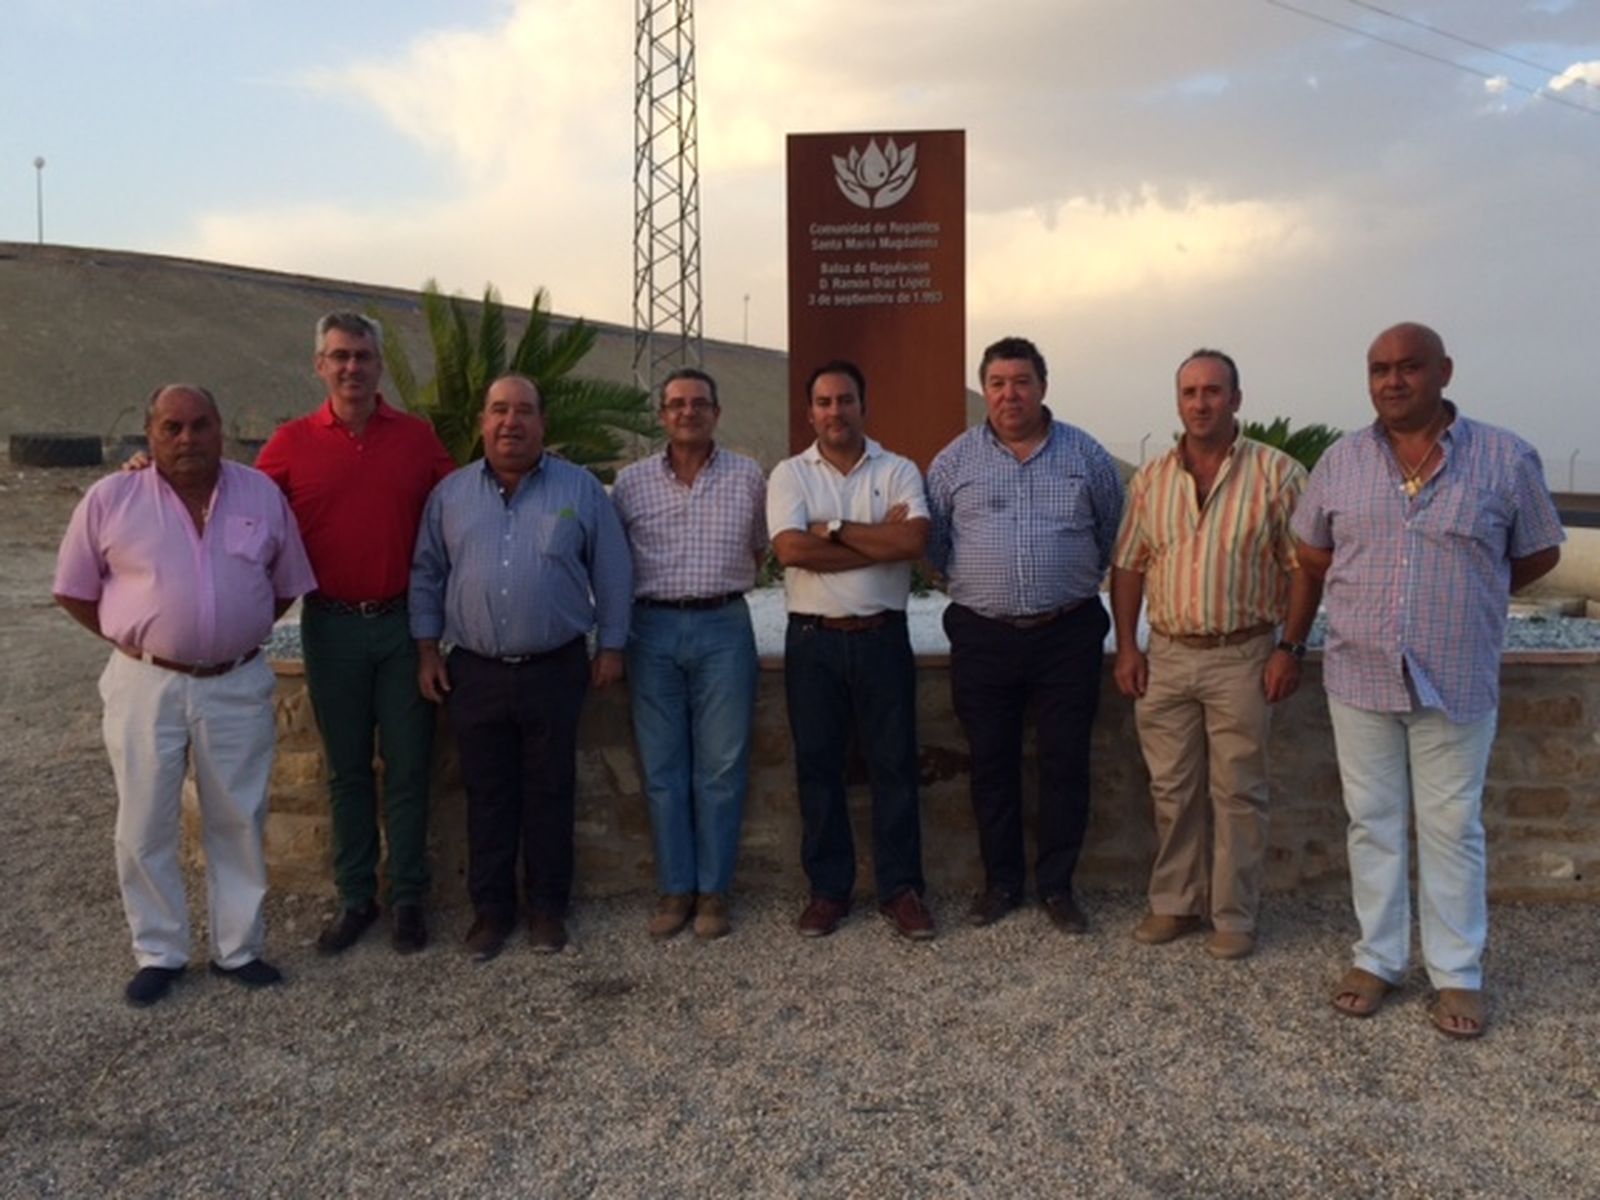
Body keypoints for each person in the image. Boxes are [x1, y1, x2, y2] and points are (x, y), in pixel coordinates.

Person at [1289, 322, 1562, 1039]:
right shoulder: (1341, 462)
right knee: (1372, 824)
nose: (1392, 381)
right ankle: (1377, 957)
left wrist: (1462, 597)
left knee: (1452, 828)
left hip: (1457, 677)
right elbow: (1311, 552)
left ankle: (1456, 973)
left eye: (1409, 367)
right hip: (1360, 676)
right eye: (1379, 368)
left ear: (1444, 372)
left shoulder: (1505, 458)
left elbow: (1534, 556)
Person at [54, 385, 316, 1006]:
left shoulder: (260, 495)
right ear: (151, 432)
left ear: (220, 429)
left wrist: (236, 627)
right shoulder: (111, 498)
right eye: (172, 427)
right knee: (144, 819)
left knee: (238, 816)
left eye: (200, 426)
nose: (186, 439)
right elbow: (73, 588)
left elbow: (283, 584)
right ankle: (159, 950)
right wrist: (138, 636)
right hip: (146, 683)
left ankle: (238, 948)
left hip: (236, 681)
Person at [410, 374, 632, 961]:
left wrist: (612, 646)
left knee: (551, 791)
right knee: (487, 795)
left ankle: (547, 910)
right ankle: (490, 913)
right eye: (500, 411)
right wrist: (427, 648)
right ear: (483, 421)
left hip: (554, 668)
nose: (512, 422)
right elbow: (427, 573)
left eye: (525, 411)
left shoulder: (580, 490)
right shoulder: (450, 496)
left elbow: (611, 570)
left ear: (543, 423)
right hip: (474, 671)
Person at [255, 312, 457, 957]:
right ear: (320, 365)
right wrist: (151, 470)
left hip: (403, 627)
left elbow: (464, 509)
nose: (351, 367)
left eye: (362, 356)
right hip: (331, 625)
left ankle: (406, 898)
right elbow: (235, 506)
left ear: (378, 365)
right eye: (338, 356)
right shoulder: (289, 444)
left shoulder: (419, 441)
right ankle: (354, 897)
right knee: (345, 771)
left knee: (408, 766)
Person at [1110, 349, 1308, 961]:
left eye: (1213, 391)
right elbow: (1128, 565)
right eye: (1190, 392)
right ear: (1178, 402)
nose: (1201, 403)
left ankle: (1234, 915)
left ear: (1236, 400)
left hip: (1242, 655)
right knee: (1172, 790)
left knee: (1239, 793)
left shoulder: (1278, 475)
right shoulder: (1151, 480)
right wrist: (1127, 647)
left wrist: (1290, 649)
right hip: (1167, 655)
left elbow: (1304, 569)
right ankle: (1174, 904)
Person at [927, 335, 1124, 933]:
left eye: (1021, 381)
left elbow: (1112, 531)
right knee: (991, 763)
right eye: (997, 383)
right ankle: (1001, 883)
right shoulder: (953, 462)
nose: (1009, 394)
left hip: (1067, 633)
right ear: (983, 390)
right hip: (983, 635)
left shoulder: (1086, 456)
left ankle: (1058, 887)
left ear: (1043, 386)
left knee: (1065, 761)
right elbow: (936, 545)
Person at [767, 360, 935, 940]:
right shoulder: (790, 474)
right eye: (823, 402)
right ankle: (828, 891)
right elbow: (790, 549)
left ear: (864, 405)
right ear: (809, 411)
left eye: (845, 400)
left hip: (882, 638)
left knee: (894, 767)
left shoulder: (899, 469)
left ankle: (901, 890)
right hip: (813, 641)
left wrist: (833, 529)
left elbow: (913, 540)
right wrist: (876, 542)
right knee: (818, 768)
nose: (834, 411)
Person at [612, 368, 767, 941]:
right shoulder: (630, 484)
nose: (687, 412)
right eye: (676, 404)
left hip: (724, 624)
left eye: (699, 403)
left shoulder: (749, 477)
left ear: (716, 413)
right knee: (662, 769)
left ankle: (714, 892)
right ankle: (675, 890)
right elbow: (613, 560)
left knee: (722, 767)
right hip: (650, 630)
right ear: (662, 415)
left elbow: (759, 549)